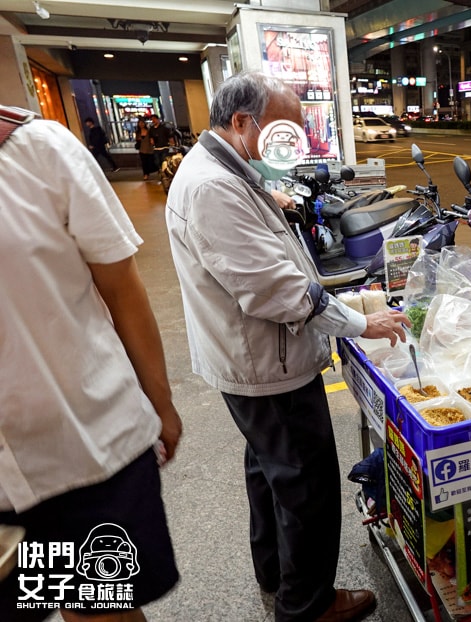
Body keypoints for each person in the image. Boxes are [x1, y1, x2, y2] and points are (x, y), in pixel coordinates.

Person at [165, 71, 410, 622]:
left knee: (271, 470)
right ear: (242, 122)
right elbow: (274, 288)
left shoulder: (225, 167)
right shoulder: (211, 187)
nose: (292, 142)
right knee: (307, 485)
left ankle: (274, 572)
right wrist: (357, 322)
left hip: (250, 359)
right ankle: (308, 606)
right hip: (267, 363)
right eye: (284, 129)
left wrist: (269, 196)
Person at [0, 106, 182, 621]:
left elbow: (122, 288)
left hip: (82, 452)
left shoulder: (39, 149)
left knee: (96, 609)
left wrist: (161, 403)